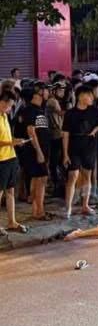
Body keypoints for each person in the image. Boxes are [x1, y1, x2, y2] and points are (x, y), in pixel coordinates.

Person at [62, 85, 98, 219]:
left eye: (91, 95)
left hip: (89, 146)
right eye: (89, 95)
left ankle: (85, 205)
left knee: (87, 175)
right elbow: (65, 134)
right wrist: (65, 153)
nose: (91, 98)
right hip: (74, 146)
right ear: (80, 96)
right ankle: (68, 207)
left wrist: (96, 129)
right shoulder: (70, 113)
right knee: (72, 175)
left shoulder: (94, 111)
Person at [22, 82, 51, 221]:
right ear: (39, 92)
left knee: (38, 179)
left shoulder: (40, 109)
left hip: (43, 150)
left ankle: (36, 210)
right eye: (46, 90)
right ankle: (39, 211)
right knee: (41, 179)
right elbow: (31, 131)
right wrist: (39, 152)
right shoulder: (30, 110)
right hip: (35, 151)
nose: (48, 93)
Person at [0, 89, 28, 233]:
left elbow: (7, 137)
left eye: (11, 105)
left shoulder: (5, 116)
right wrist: (12, 142)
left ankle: (12, 222)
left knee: (11, 190)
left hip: (10, 157)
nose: (9, 108)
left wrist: (15, 142)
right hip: (1, 160)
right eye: (8, 104)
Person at [46, 81, 67, 198]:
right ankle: (57, 186)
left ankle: (58, 186)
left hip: (57, 135)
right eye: (60, 90)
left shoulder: (54, 101)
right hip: (55, 135)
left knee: (57, 162)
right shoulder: (52, 101)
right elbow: (61, 113)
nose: (62, 93)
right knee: (56, 162)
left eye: (63, 91)